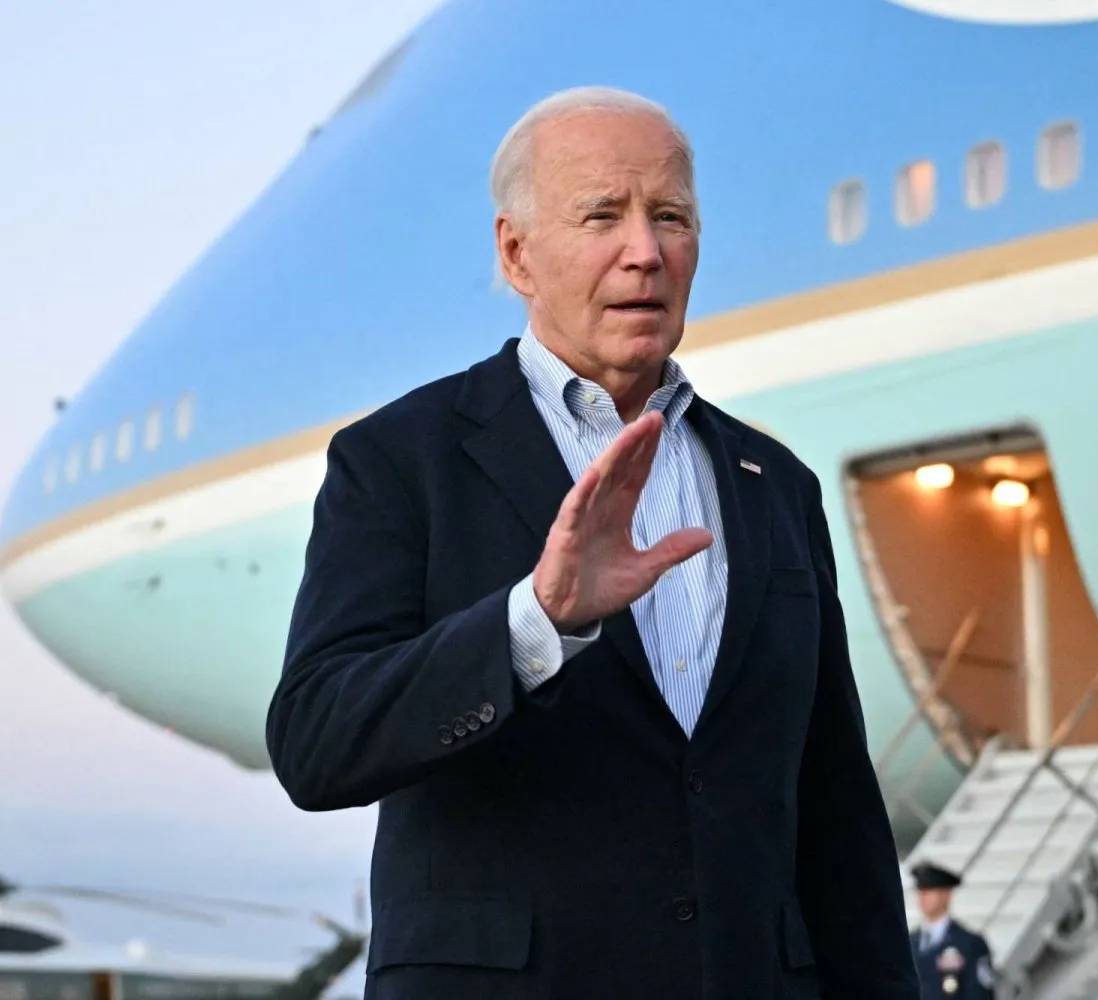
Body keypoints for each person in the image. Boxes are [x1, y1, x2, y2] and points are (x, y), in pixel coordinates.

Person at [262, 86, 920, 1000]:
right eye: (602, 214)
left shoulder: (778, 487)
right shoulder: (400, 461)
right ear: (517, 252)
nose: (645, 251)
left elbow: (837, 812)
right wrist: (535, 624)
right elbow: (316, 741)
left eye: (672, 217)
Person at [907, 862, 994, 1000]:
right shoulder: (909, 943)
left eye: (929, 891)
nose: (923, 897)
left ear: (946, 894)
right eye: (920, 892)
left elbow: (979, 994)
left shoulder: (969, 943)